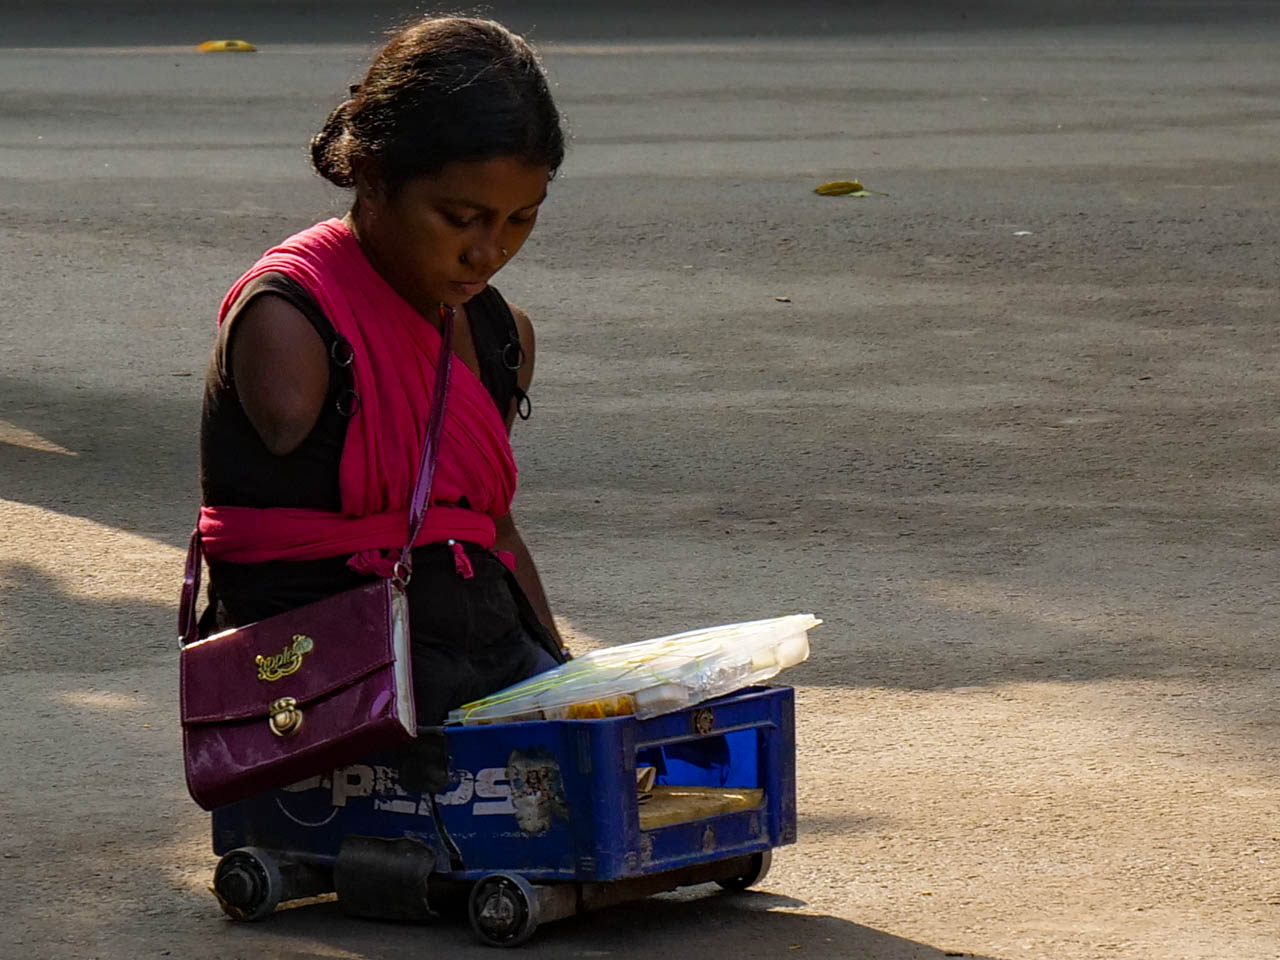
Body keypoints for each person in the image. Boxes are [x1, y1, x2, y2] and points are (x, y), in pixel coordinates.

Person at [196, 15, 568, 726]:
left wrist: (565, 675)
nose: (488, 253)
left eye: (520, 219)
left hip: (484, 650)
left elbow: (494, 531)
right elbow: (264, 568)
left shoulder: (502, 335)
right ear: (372, 176)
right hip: (328, 685)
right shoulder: (291, 322)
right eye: (460, 218)